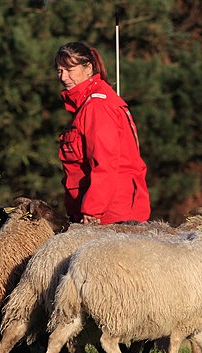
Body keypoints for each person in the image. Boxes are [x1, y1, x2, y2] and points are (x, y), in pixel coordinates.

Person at [55, 41, 151, 225]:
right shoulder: (88, 105)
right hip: (106, 212)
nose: (64, 77)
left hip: (110, 216)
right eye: (59, 71)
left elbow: (105, 163)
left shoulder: (97, 106)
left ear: (88, 68)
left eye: (69, 70)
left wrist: (93, 209)